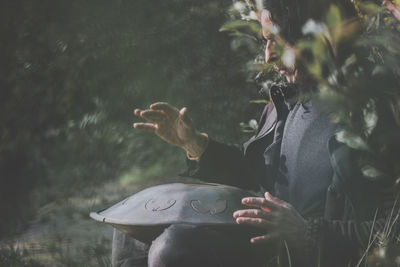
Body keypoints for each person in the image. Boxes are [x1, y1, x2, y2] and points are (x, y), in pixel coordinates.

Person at [114, 1, 399, 266]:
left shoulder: (373, 111)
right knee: (130, 234)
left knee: (172, 248)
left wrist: (306, 233)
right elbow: (256, 170)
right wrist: (195, 143)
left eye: (275, 39)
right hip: (261, 243)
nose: (269, 55)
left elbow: (390, 230)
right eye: (266, 41)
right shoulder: (290, 100)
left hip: (306, 254)